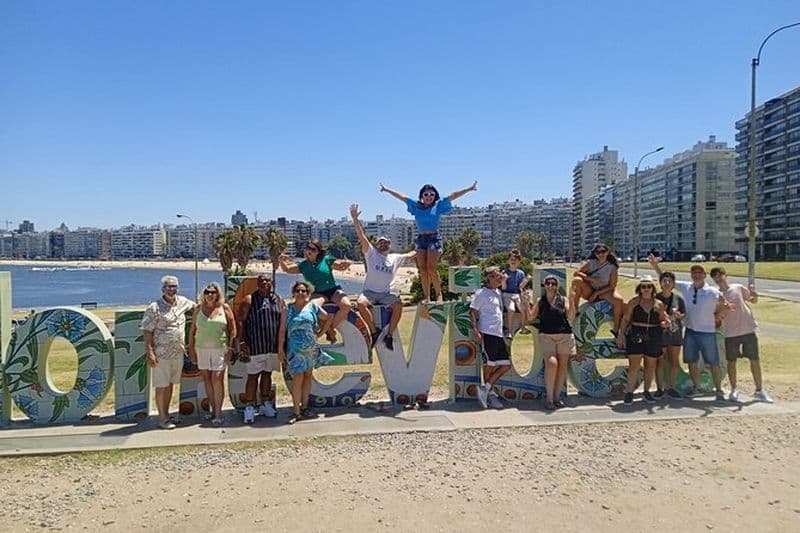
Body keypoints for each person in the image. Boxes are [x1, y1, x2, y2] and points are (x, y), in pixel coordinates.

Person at [380, 181, 478, 303]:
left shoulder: (438, 205)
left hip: (434, 238)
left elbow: (454, 195)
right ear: (422, 196)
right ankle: (426, 296)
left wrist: (469, 188)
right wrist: (387, 190)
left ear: (435, 196)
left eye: (431, 194)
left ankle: (439, 294)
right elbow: (402, 197)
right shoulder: (416, 206)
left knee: (431, 268)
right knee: (422, 269)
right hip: (421, 239)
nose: (429, 197)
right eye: (426, 194)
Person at [649, 255, 729, 400]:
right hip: (691, 332)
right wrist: (655, 266)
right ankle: (696, 387)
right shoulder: (686, 287)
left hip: (708, 333)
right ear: (691, 276)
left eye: (700, 273)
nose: (697, 275)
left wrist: (718, 317)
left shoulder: (712, 292)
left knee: (713, 362)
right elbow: (666, 280)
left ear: (704, 276)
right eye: (694, 273)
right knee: (691, 362)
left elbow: (726, 306)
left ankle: (718, 389)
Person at [350, 203, 416, 351]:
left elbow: (411, 254)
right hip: (370, 293)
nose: (383, 245)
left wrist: (424, 248)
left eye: (386, 243)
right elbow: (361, 235)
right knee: (360, 303)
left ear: (390, 245)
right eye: (381, 242)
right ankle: (374, 331)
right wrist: (355, 218)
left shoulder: (395, 258)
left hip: (386, 294)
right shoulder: (371, 253)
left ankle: (389, 335)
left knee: (398, 306)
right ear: (377, 244)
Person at [709, 267, 773, 403]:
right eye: (715, 276)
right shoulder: (714, 294)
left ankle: (759, 390)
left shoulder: (737, 287)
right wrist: (724, 309)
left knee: (754, 359)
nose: (718, 278)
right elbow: (716, 317)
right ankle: (734, 390)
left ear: (726, 275)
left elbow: (752, 300)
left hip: (748, 329)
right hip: (730, 333)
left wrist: (755, 295)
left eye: (720, 274)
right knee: (731, 362)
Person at [140, 275, 196, 429]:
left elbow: (198, 306)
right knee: (161, 386)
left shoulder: (183, 302)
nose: (171, 289)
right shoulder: (154, 307)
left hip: (178, 353)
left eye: (174, 286)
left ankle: (167, 413)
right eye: (168, 286)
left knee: (171, 385)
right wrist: (150, 352)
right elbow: (147, 331)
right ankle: (162, 418)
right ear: (162, 289)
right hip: (161, 354)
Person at [278, 239, 354, 343]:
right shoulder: (303, 265)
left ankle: (329, 329)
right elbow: (287, 269)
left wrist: (347, 263)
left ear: (318, 251)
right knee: (313, 307)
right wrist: (281, 260)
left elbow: (341, 267)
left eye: (313, 249)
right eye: (308, 248)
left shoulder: (326, 260)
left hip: (333, 290)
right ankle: (329, 331)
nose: (309, 251)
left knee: (346, 305)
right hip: (317, 293)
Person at [236, 274, 287, 423]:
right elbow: (241, 321)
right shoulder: (249, 299)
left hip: (271, 346)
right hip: (255, 346)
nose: (265, 283)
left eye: (267, 280)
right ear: (257, 284)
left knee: (267, 375)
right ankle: (249, 407)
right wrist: (242, 342)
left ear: (272, 283)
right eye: (261, 281)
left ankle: (265, 404)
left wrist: (281, 346)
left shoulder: (279, 300)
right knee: (252, 377)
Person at [284, 280, 334, 424]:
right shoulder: (288, 309)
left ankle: (305, 408)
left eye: (304, 291)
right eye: (298, 290)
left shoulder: (313, 307)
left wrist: (320, 333)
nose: (301, 293)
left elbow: (328, 318)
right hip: (295, 350)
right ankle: (296, 411)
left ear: (308, 293)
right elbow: (282, 331)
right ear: (294, 293)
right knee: (297, 379)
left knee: (307, 377)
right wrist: (280, 350)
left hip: (310, 348)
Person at [616, 275, 670, 405]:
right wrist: (621, 334)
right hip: (636, 333)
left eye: (649, 286)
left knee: (650, 365)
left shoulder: (659, 304)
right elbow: (626, 319)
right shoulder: (634, 302)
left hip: (654, 334)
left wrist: (665, 323)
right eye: (643, 286)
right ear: (639, 288)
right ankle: (629, 392)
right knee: (634, 365)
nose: (646, 289)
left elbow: (662, 319)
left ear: (653, 288)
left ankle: (646, 391)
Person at [188, 282, 236, 426]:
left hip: (220, 348)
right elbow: (192, 330)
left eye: (213, 292)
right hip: (201, 348)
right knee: (207, 379)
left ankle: (219, 413)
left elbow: (233, 329)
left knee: (217, 378)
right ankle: (213, 410)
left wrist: (231, 348)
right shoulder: (198, 308)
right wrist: (191, 348)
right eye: (207, 292)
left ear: (217, 294)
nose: (210, 295)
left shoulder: (224, 308)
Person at [528, 274, 577, 410]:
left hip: (564, 335)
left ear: (557, 286)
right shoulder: (541, 301)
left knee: (562, 366)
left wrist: (572, 300)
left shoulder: (563, 299)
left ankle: (556, 397)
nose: (550, 286)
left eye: (553, 283)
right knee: (551, 364)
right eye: (548, 283)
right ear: (544, 285)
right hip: (547, 336)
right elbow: (531, 316)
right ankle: (549, 397)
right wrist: (525, 302)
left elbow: (571, 316)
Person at [469, 266, 511, 409]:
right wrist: (475, 330)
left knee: (505, 365)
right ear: (489, 278)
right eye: (497, 276)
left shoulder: (497, 292)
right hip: (488, 332)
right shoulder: (481, 293)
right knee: (489, 364)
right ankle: (489, 395)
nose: (500, 278)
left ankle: (485, 389)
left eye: (500, 276)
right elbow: (473, 311)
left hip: (498, 333)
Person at [570, 244, 625, 335]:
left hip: (605, 290)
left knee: (619, 301)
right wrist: (591, 279)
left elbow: (612, 286)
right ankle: (574, 310)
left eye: (603, 251)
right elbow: (576, 273)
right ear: (595, 254)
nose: (600, 254)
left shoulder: (612, 267)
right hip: (591, 289)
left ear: (607, 252)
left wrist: (597, 294)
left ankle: (616, 329)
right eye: (598, 252)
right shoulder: (591, 263)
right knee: (576, 281)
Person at [655, 271, 686, 399]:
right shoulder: (655, 298)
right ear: (660, 283)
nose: (667, 283)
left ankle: (672, 388)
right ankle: (659, 388)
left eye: (669, 281)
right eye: (664, 281)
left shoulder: (678, 299)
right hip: (660, 334)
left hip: (675, 334)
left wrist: (679, 315)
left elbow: (683, 313)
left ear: (673, 284)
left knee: (674, 362)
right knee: (659, 362)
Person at [501, 249, 531, 336]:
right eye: (511, 259)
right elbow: (504, 288)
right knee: (511, 309)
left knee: (523, 309)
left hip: (517, 294)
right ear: (508, 261)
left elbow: (520, 287)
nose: (513, 261)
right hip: (507, 294)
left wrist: (526, 280)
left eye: (515, 259)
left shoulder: (520, 273)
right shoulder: (504, 272)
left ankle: (523, 327)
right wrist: (504, 280)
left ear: (519, 261)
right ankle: (510, 331)